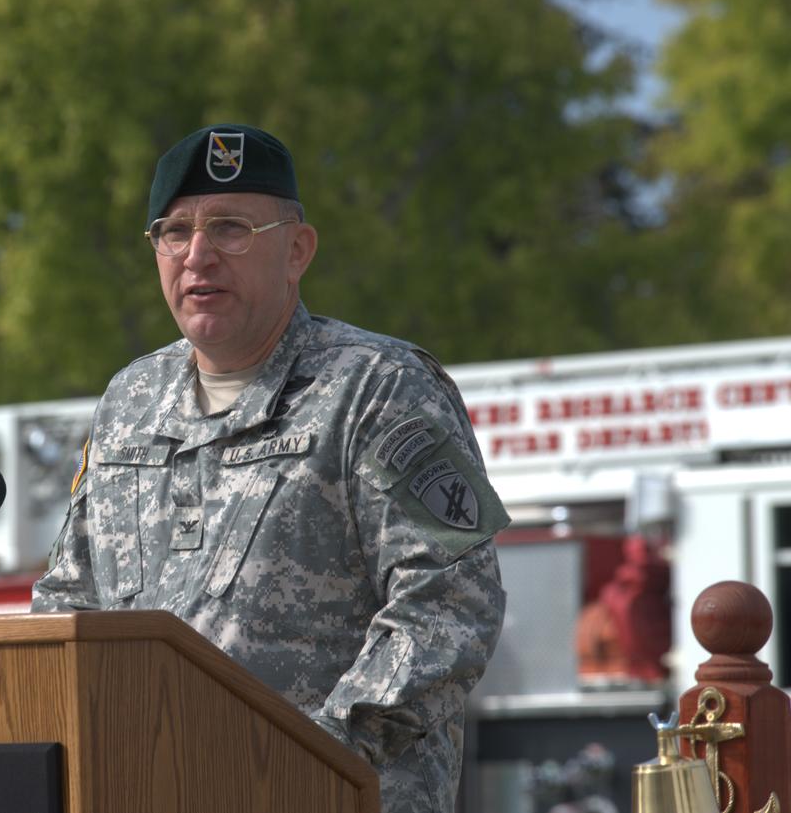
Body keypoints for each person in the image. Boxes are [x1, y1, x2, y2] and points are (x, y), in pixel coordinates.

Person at [32, 123, 508, 812]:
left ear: (297, 250)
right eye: (174, 231)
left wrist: (305, 763)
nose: (198, 255)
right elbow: (67, 606)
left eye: (230, 229)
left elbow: (450, 605)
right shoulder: (128, 400)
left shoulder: (378, 385)